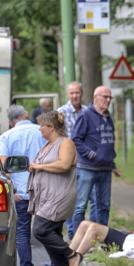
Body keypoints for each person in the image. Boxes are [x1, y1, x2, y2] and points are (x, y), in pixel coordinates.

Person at [26, 111, 80, 266]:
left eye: (42, 125)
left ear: (51, 127)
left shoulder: (66, 143)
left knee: (40, 230)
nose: (39, 128)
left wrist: (40, 166)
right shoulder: (47, 145)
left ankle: (72, 255)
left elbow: (64, 164)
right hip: (46, 196)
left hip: (60, 195)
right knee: (53, 235)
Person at [0, 105, 47, 266]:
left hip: (21, 194)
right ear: (27, 115)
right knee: (50, 232)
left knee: (22, 235)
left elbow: (4, 167)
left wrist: (14, 191)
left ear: (10, 122)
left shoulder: (6, 137)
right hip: (44, 191)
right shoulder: (42, 132)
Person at [69, 86, 122, 237]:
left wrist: (112, 165)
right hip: (87, 168)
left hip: (105, 170)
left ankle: (102, 238)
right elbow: (76, 140)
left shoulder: (108, 117)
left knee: (103, 206)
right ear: (95, 97)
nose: (108, 100)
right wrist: (92, 155)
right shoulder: (86, 115)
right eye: (105, 97)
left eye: (110, 97)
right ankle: (76, 240)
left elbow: (107, 142)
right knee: (80, 206)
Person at [57, 81, 87, 237]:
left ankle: (82, 233)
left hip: (87, 163)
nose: (75, 96)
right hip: (69, 164)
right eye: (72, 93)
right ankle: (72, 233)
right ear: (67, 94)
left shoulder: (88, 112)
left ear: (82, 93)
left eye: (77, 93)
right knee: (70, 199)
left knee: (83, 200)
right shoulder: (60, 113)